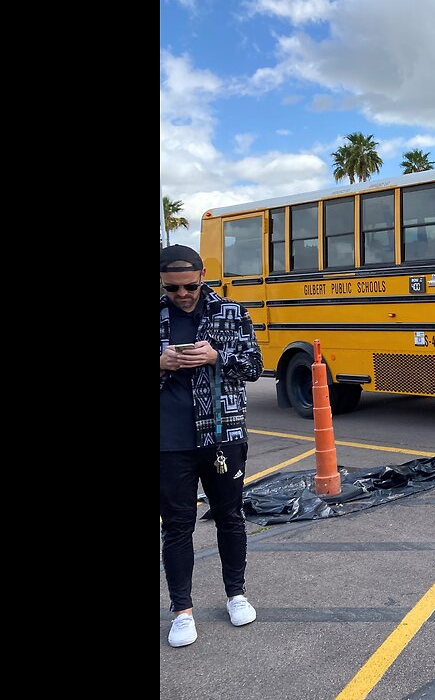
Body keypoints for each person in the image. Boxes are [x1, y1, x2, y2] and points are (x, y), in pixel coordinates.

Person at [159, 244, 264, 647]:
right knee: (177, 525)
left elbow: (254, 366)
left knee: (230, 516)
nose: (182, 294)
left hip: (223, 436)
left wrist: (217, 356)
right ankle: (182, 611)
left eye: (188, 285)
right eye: (172, 288)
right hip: (169, 440)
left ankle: (236, 593)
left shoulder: (231, 312)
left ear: (203, 274)